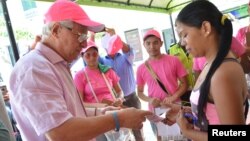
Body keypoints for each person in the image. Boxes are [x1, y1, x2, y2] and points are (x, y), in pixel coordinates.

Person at [8, 1, 152, 141]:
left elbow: (66, 112)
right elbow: (61, 133)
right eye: (81, 36)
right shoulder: (34, 68)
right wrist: (118, 119)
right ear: (56, 30)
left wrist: (99, 112)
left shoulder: (57, 65)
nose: (84, 44)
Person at [174, 1, 248, 140]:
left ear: (206, 28)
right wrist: (196, 113)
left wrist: (188, 132)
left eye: (184, 35)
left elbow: (235, 134)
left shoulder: (222, 73)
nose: (182, 43)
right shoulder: (212, 65)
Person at [136, 29, 188, 141]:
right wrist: (150, 100)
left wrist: (172, 98)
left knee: (180, 137)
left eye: (155, 42)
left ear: (161, 43)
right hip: (155, 110)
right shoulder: (141, 68)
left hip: (174, 107)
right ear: (144, 45)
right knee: (161, 138)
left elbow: (184, 83)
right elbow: (139, 92)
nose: (152, 46)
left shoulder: (174, 60)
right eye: (148, 43)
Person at [99, 28, 144, 141]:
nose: (109, 45)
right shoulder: (103, 62)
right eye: (107, 43)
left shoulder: (126, 57)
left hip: (131, 98)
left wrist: (115, 37)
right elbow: (89, 56)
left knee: (138, 129)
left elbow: (128, 49)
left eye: (110, 42)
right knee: (122, 134)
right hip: (116, 102)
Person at [74, 40, 124, 108]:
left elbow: (120, 91)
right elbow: (80, 103)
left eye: (94, 54)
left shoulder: (108, 70)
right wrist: (102, 106)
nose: (92, 58)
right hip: (95, 115)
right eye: (88, 55)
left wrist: (119, 99)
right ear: (82, 56)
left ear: (98, 55)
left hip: (113, 110)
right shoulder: (79, 76)